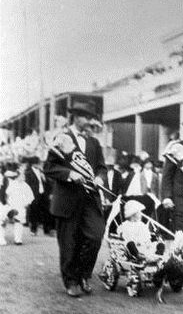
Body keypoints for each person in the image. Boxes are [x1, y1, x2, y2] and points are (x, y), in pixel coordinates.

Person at [44, 100, 107, 297]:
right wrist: (70, 174)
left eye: (91, 118)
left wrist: (99, 178)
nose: (89, 121)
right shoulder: (62, 139)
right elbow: (49, 168)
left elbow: (102, 168)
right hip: (67, 200)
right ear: (76, 117)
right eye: (86, 117)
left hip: (90, 199)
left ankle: (84, 274)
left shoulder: (94, 143)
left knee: (95, 236)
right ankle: (71, 280)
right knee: (69, 243)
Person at [0, 162, 34, 245]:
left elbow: (30, 196)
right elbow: (6, 194)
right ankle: (1, 239)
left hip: (20, 206)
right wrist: (6, 204)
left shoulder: (25, 185)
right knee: (2, 221)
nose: (23, 177)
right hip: (9, 205)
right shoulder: (11, 183)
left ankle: (18, 239)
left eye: (24, 176)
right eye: (21, 176)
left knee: (19, 221)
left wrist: (27, 203)